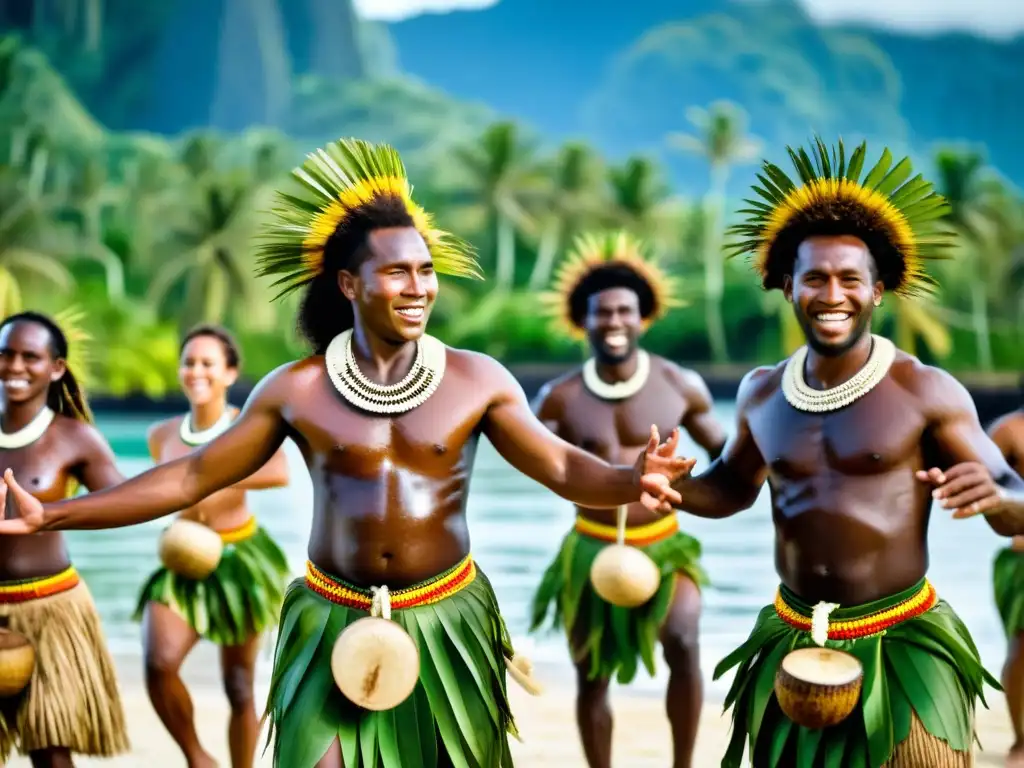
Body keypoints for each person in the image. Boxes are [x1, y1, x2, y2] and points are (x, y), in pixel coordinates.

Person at [0, 138, 692, 768]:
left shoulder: (476, 379)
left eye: (425, 270)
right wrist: (55, 516)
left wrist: (631, 480)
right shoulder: (297, 390)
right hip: (332, 613)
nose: (419, 287)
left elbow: (564, 467)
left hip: (444, 617)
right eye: (397, 273)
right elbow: (191, 475)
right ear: (349, 284)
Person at [639, 138, 1021, 767]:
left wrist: (998, 499)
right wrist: (670, 487)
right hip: (793, 636)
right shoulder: (761, 392)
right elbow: (732, 488)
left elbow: (1017, 494)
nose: (832, 293)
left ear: (878, 291)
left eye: (851, 279)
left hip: (901, 637)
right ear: (787, 286)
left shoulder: (924, 390)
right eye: (815, 277)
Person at [529, 230, 726, 768]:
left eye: (624, 311)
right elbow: (538, 462)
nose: (614, 322)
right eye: (601, 313)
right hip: (590, 547)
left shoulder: (678, 384)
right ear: (583, 320)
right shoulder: (559, 398)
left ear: (642, 318)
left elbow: (730, 457)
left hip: (663, 544)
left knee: (683, 637)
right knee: (590, 674)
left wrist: (683, 486)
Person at [137, 323, 290, 768]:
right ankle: (198, 757)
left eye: (208, 363)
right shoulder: (161, 435)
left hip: (238, 556)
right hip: (183, 556)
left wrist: (209, 471)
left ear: (230, 372)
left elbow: (280, 472)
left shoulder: (245, 427)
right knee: (159, 662)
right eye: (189, 362)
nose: (196, 371)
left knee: (240, 686)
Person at [0, 309, 129, 766]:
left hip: (50, 609)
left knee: (51, 753)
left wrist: (51, 514)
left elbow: (125, 503)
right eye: (6, 354)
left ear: (56, 368)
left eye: (30, 357)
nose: (15, 366)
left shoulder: (75, 438)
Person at [987, 406, 1024, 767]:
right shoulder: (1008, 430)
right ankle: (1021, 741)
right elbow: (986, 493)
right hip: (1021, 560)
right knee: (1022, 646)